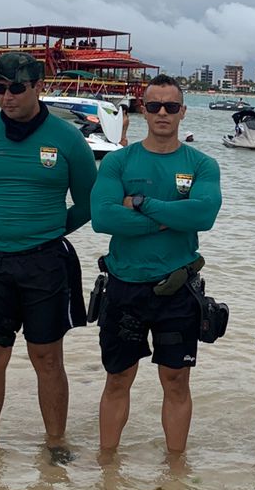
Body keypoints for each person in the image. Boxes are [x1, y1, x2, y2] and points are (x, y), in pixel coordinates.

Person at [0, 51, 98, 456]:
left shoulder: (68, 138)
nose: (7, 96)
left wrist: (47, 230)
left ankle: (56, 443)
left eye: (16, 88)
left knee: (47, 356)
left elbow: (88, 203)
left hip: (45, 262)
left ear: (39, 87)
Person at [91, 76, 223, 455]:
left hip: (177, 288)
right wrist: (170, 218)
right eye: (153, 106)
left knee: (177, 380)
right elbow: (103, 218)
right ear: (142, 110)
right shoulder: (118, 161)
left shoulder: (202, 163)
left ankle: (176, 468)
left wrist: (142, 203)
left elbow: (204, 213)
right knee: (118, 378)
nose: (162, 113)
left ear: (183, 111)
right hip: (123, 285)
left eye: (170, 106)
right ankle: (107, 466)